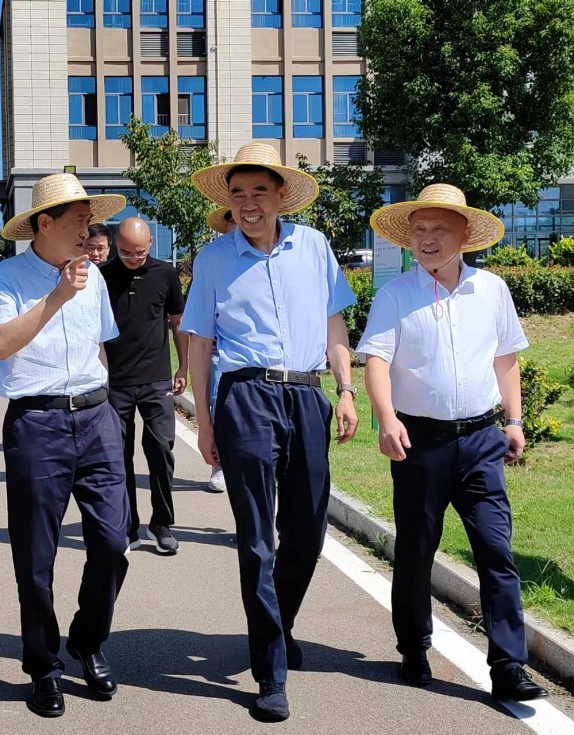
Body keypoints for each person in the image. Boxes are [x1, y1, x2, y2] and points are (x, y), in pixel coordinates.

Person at [182, 143, 360, 722]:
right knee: (256, 538)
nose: (249, 203)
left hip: (307, 394)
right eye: (238, 194)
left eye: (260, 192)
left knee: (307, 532)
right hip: (246, 397)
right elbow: (201, 346)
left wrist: (347, 388)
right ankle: (270, 669)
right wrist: (205, 421)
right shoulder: (213, 259)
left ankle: (276, 627)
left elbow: (335, 322)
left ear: (282, 195)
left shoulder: (314, 247)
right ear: (227, 202)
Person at [357, 184, 548, 701]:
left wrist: (515, 419)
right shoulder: (396, 294)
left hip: (482, 440)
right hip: (420, 443)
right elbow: (375, 358)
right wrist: (386, 416)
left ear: (465, 234)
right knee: (418, 550)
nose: (427, 239)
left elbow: (505, 359)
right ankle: (414, 646)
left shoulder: (491, 290)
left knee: (496, 551)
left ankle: (509, 665)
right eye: (418, 231)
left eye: (439, 229)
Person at [0, 173, 129, 718]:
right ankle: (43, 665)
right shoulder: (5, 277)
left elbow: (100, 348)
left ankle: (87, 641)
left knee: (113, 542)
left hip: (95, 417)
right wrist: (57, 295)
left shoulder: (97, 279)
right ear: (44, 224)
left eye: (89, 219)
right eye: (78, 220)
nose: (88, 230)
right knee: (36, 555)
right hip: (36, 423)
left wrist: (105, 404)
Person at [101, 217, 187, 554]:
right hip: (115, 382)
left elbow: (178, 322)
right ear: (115, 245)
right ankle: (128, 526)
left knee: (161, 450)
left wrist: (182, 367)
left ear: (150, 243)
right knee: (118, 456)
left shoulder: (165, 274)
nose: (133, 258)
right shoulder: (103, 277)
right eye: (125, 252)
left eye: (139, 252)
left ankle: (162, 524)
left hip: (156, 379)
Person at [204, 208, 236, 494]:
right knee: (218, 405)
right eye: (232, 222)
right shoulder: (213, 261)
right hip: (217, 352)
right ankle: (219, 466)